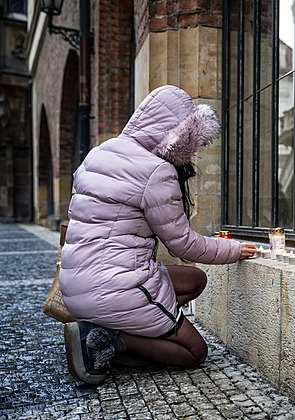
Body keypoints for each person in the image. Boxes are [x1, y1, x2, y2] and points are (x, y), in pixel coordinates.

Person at [59, 85, 258, 385]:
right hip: (117, 288)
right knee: (195, 352)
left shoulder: (97, 155)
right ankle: (107, 337)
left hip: (74, 288)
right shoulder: (156, 171)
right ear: (179, 135)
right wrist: (235, 250)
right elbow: (185, 245)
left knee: (195, 281)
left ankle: (118, 330)